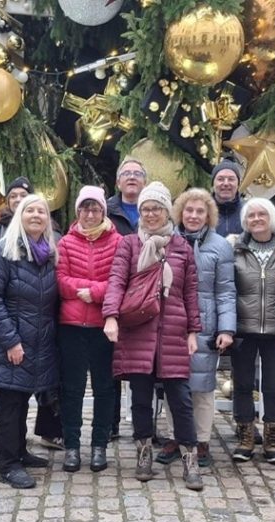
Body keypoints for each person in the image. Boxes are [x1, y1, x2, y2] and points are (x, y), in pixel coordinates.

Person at [102, 182, 204, 491]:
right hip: (137, 330)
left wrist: (193, 331)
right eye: (146, 209)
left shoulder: (181, 247)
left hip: (172, 330)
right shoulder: (129, 245)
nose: (151, 214)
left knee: (181, 400)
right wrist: (111, 316)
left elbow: (190, 292)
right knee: (141, 398)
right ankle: (144, 450)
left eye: (156, 208)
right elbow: (117, 281)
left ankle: (190, 456)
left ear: (166, 211)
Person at [0, 194, 60, 489]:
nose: (36, 215)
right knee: (10, 404)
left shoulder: (49, 254)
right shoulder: (2, 252)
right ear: (19, 216)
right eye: (30, 211)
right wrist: (11, 341)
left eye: (41, 211)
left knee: (24, 399)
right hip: (11, 341)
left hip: (40, 341)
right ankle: (8, 464)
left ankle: (20, 452)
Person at [155, 188, 235, 469]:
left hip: (205, 323)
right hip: (172, 322)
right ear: (180, 212)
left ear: (208, 215)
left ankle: (200, 441)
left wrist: (226, 328)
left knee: (202, 386)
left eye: (200, 211)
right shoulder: (167, 241)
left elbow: (225, 291)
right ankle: (176, 437)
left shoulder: (220, 246)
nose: (193, 215)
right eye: (189, 210)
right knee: (173, 383)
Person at [227, 197, 275, 465]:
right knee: (242, 384)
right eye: (251, 215)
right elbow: (227, 288)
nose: (256, 219)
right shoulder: (234, 248)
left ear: (272, 218)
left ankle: (272, 439)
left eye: (262, 214)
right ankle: (246, 437)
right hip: (243, 328)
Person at [56, 186, 122, 473]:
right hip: (71, 325)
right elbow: (60, 279)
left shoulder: (118, 242)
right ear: (78, 211)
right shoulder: (66, 243)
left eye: (95, 209)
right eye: (85, 208)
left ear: (103, 212)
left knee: (105, 388)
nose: (90, 214)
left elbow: (119, 280)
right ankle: (71, 446)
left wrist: (92, 292)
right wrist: (79, 290)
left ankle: (99, 445)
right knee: (72, 389)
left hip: (102, 326)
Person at [106, 159, 148, 440]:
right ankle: (110, 424)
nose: (132, 178)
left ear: (144, 181)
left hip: (146, 300)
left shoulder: (156, 210)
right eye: (126, 173)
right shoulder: (105, 211)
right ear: (118, 182)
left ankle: (144, 427)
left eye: (137, 173)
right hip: (113, 295)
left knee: (144, 366)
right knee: (112, 365)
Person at [0, 176, 33, 249]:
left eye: (23, 195)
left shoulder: (42, 228)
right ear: (8, 202)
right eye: (13, 196)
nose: (18, 199)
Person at [210, 159, 244, 237]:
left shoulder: (248, 211)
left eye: (231, 179)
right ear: (213, 184)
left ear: (238, 184)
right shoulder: (203, 211)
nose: (226, 183)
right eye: (220, 179)